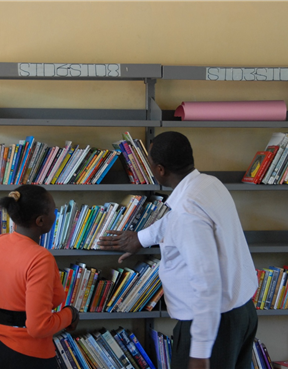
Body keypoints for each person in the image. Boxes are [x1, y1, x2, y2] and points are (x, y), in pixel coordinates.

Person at [98, 131, 259, 369]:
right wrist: (141, 238)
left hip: (211, 323)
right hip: (242, 312)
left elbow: (207, 282)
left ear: (160, 170)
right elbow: (176, 219)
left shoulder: (186, 212)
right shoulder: (209, 184)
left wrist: (200, 351)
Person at [0, 185, 79, 369]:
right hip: (25, 355)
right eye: (54, 211)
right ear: (40, 220)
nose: (56, 215)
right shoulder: (40, 258)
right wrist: (70, 314)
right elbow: (39, 327)